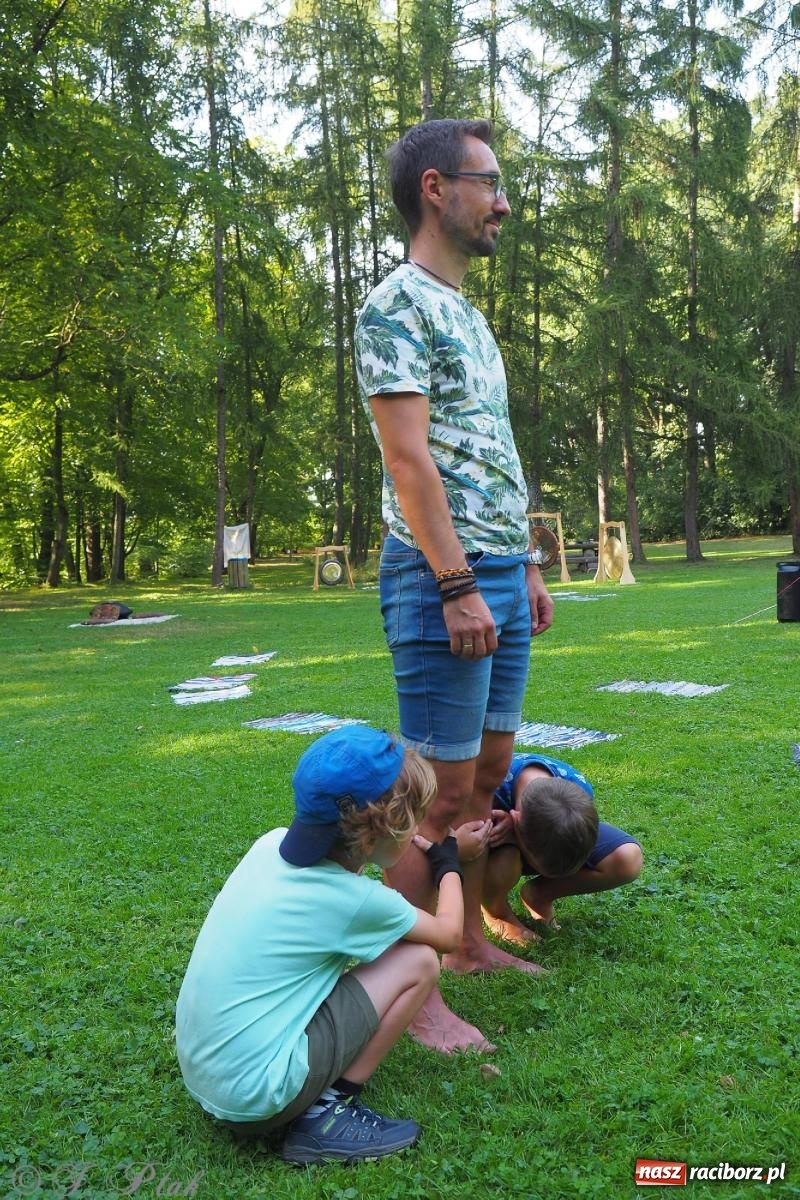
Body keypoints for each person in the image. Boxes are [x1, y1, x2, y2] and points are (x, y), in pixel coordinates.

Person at [354, 118, 554, 1055]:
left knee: (479, 787)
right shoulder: (394, 305)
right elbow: (410, 461)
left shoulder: (467, 312)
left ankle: (467, 940)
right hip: (447, 580)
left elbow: (490, 451)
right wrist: (458, 581)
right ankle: (409, 980)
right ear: (437, 189)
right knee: (431, 799)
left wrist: (529, 564)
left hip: (502, 573)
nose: (503, 202)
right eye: (490, 183)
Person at [175, 725, 478, 1166]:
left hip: (208, 1075)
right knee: (418, 960)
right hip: (257, 1097)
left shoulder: (268, 846)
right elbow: (448, 935)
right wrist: (447, 860)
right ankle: (329, 1113)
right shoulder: (354, 902)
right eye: (415, 814)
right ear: (386, 827)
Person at [482, 752, 643, 946]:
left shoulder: (578, 790)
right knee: (504, 862)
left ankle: (539, 895)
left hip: (541, 832)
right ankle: (497, 913)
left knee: (626, 859)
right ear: (516, 819)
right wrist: (498, 830)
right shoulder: (488, 792)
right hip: (496, 846)